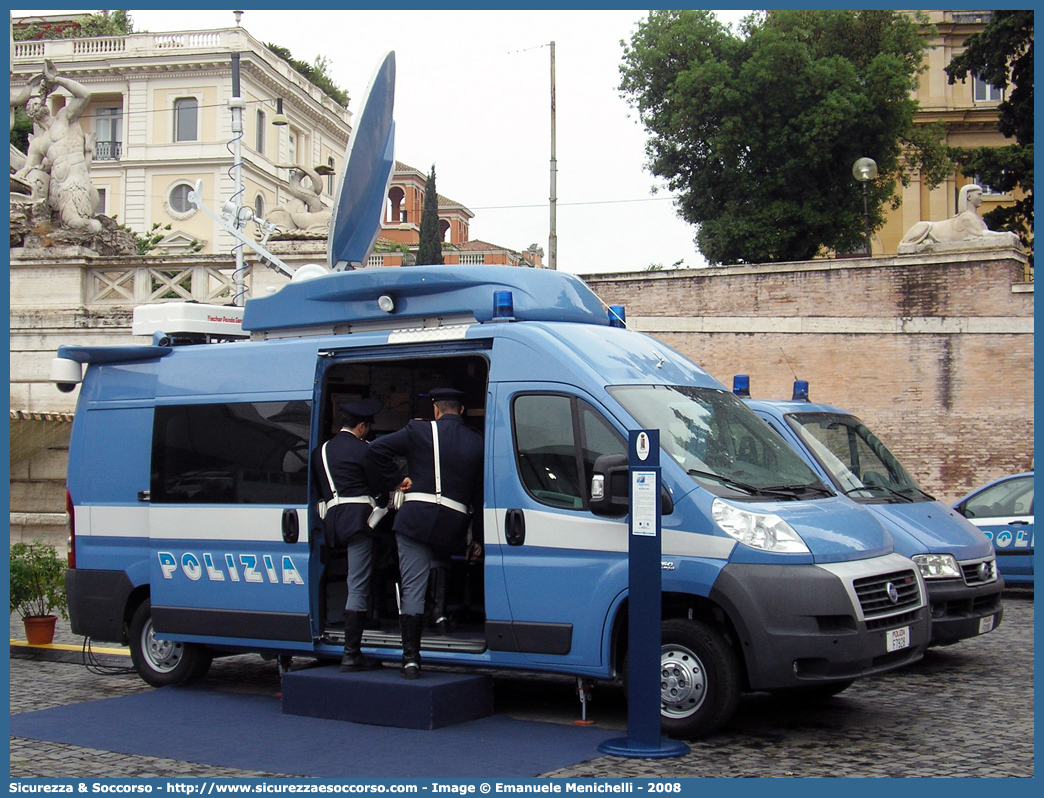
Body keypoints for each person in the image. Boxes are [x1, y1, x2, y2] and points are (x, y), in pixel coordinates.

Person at [367, 388, 483, 679]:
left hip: (415, 518)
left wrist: (397, 480)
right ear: (462, 411)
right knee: (441, 562)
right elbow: (480, 495)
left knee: (412, 589)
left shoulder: (417, 430)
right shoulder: (476, 440)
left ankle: (411, 659)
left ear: (435, 410)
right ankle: (441, 614)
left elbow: (376, 450)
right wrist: (476, 538)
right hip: (454, 523)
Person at [310, 397, 387, 672]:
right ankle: (352, 653)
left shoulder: (321, 451)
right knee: (357, 584)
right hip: (359, 522)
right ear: (362, 426)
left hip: (333, 522)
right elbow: (380, 489)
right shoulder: (364, 451)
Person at [13, 59, 101, 232]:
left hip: (75, 180)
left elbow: (85, 95)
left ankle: (94, 227)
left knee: (76, 224)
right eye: (30, 105)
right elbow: (27, 169)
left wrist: (57, 80)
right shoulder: (38, 143)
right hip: (56, 187)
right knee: (69, 224)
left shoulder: (65, 117)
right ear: (31, 115)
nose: (35, 105)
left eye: (36, 102)